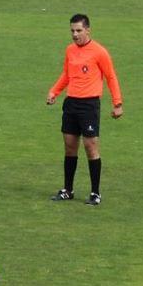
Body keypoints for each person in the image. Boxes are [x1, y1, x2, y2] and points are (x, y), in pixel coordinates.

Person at [46, 13, 123, 206]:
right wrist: (54, 91)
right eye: (72, 30)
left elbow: (111, 77)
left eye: (78, 30)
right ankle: (68, 190)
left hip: (89, 105)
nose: (75, 34)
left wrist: (117, 103)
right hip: (71, 103)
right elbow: (67, 74)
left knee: (91, 147)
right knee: (70, 146)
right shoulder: (70, 50)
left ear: (88, 30)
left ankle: (95, 193)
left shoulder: (99, 52)